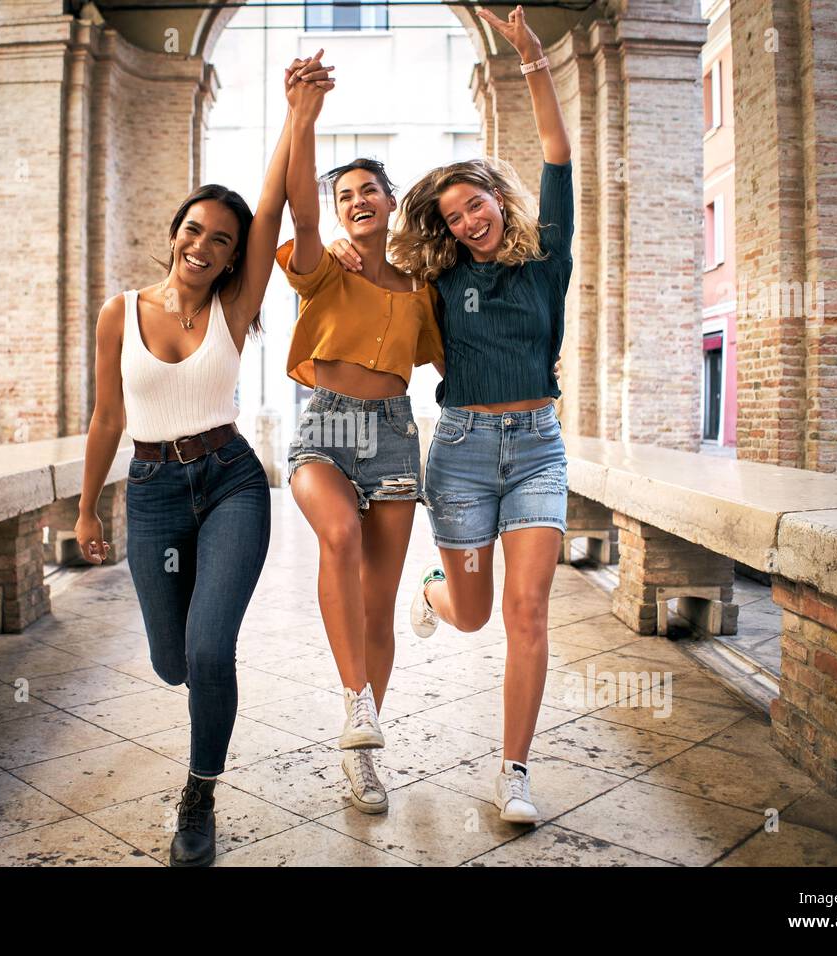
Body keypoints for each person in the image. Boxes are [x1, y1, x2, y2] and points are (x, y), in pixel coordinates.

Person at [75, 54, 334, 865]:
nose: (205, 244)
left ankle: (199, 792)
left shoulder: (236, 305)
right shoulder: (121, 313)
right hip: (151, 492)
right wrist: (86, 508)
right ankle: (196, 694)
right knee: (170, 661)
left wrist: (298, 114)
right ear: (175, 233)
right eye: (194, 230)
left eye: (221, 241)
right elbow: (107, 416)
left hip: (230, 483)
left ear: (232, 259)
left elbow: (273, 207)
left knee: (209, 651)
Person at [331, 5, 572, 825]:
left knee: (527, 611)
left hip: (538, 448)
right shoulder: (435, 281)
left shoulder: (547, 261)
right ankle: (435, 593)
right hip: (464, 451)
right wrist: (342, 248)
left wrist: (533, 58)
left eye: (479, 205)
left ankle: (514, 773)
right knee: (472, 616)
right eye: (456, 214)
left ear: (499, 200)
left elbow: (557, 154)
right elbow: (373, 279)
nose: (471, 220)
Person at [275, 57, 444, 814]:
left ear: (390, 199)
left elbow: (459, 356)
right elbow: (299, 218)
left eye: (368, 189)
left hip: (396, 437)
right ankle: (354, 704)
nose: (355, 202)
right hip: (324, 426)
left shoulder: (421, 288)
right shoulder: (324, 267)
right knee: (338, 535)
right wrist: (302, 117)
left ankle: (364, 756)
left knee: (380, 604)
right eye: (345, 196)